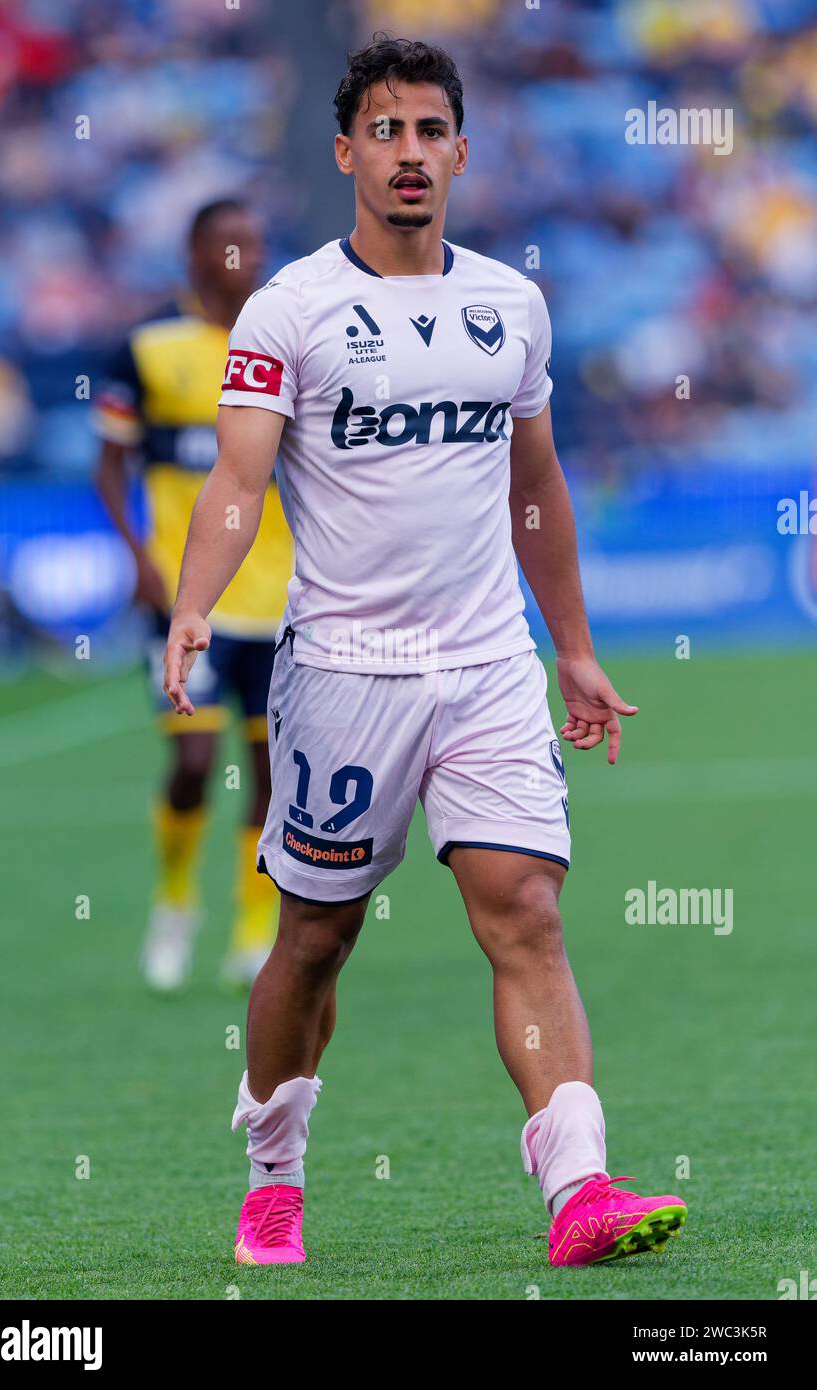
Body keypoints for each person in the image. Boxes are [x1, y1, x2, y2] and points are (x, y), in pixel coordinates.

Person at [164, 37, 688, 1267]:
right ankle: (274, 1170)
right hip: (344, 671)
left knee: (523, 910)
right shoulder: (289, 308)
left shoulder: (510, 304)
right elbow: (239, 481)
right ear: (347, 152)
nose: (409, 153)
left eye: (429, 131)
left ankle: (579, 1189)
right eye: (385, 132)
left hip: (487, 662)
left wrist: (571, 647)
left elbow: (536, 483)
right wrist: (196, 600)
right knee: (313, 937)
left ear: (460, 148)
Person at [95, 198, 293, 992]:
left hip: (281, 599)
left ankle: (255, 925)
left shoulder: (290, 340)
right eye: (226, 243)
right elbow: (109, 464)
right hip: (190, 599)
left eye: (252, 241)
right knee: (193, 759)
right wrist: (138, 554)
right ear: (193, 255)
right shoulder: (148, 350)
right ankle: (175, 902)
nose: (242, 255)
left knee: (271, 768)